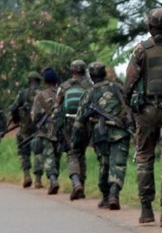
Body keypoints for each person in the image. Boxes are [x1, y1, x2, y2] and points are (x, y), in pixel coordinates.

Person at [124, 7, 162, 227]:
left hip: (147, 110)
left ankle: (146, 210)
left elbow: (130, 81)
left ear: (150, 27)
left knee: (144, 157)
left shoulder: (141, 49)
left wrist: (128, 106)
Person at [71, 62, 132, 210]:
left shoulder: (88, 93)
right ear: (105, 74)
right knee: (118, 164)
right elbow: (131, 106)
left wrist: (75, 142)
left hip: (100, 134)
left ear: (91, 76)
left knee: (104, 164)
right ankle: (113, 194)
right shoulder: (117, 87)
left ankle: (106, 195)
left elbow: (79, 121)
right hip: (120, 133)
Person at [56, 59, 93, 200]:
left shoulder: (64, 86)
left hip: (69, 122)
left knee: (72, 153)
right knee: (81, 152)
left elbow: (57, 104)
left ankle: (76, 183)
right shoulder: (89, 85)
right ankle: (81, 187)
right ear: (84, 71)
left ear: (72, 71)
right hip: (85, 121)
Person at [10, 71, 44, 188]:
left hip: (24, 129)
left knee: (23, 152)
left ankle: (26, 175)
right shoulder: (42, 94)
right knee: (38, 152)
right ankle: (38, 180)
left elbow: (13, 108)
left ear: (29, 81)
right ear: (38, 82)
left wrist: (17, 120)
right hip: (39, 129)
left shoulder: (22, 93)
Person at [31, 67, 61, 195]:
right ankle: (55, 178)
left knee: (48, 157)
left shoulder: (40, 95)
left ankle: (53, 179)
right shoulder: (61, 94)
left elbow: (34, 116)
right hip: (60, 131)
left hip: (45, 132)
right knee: (56, 156)